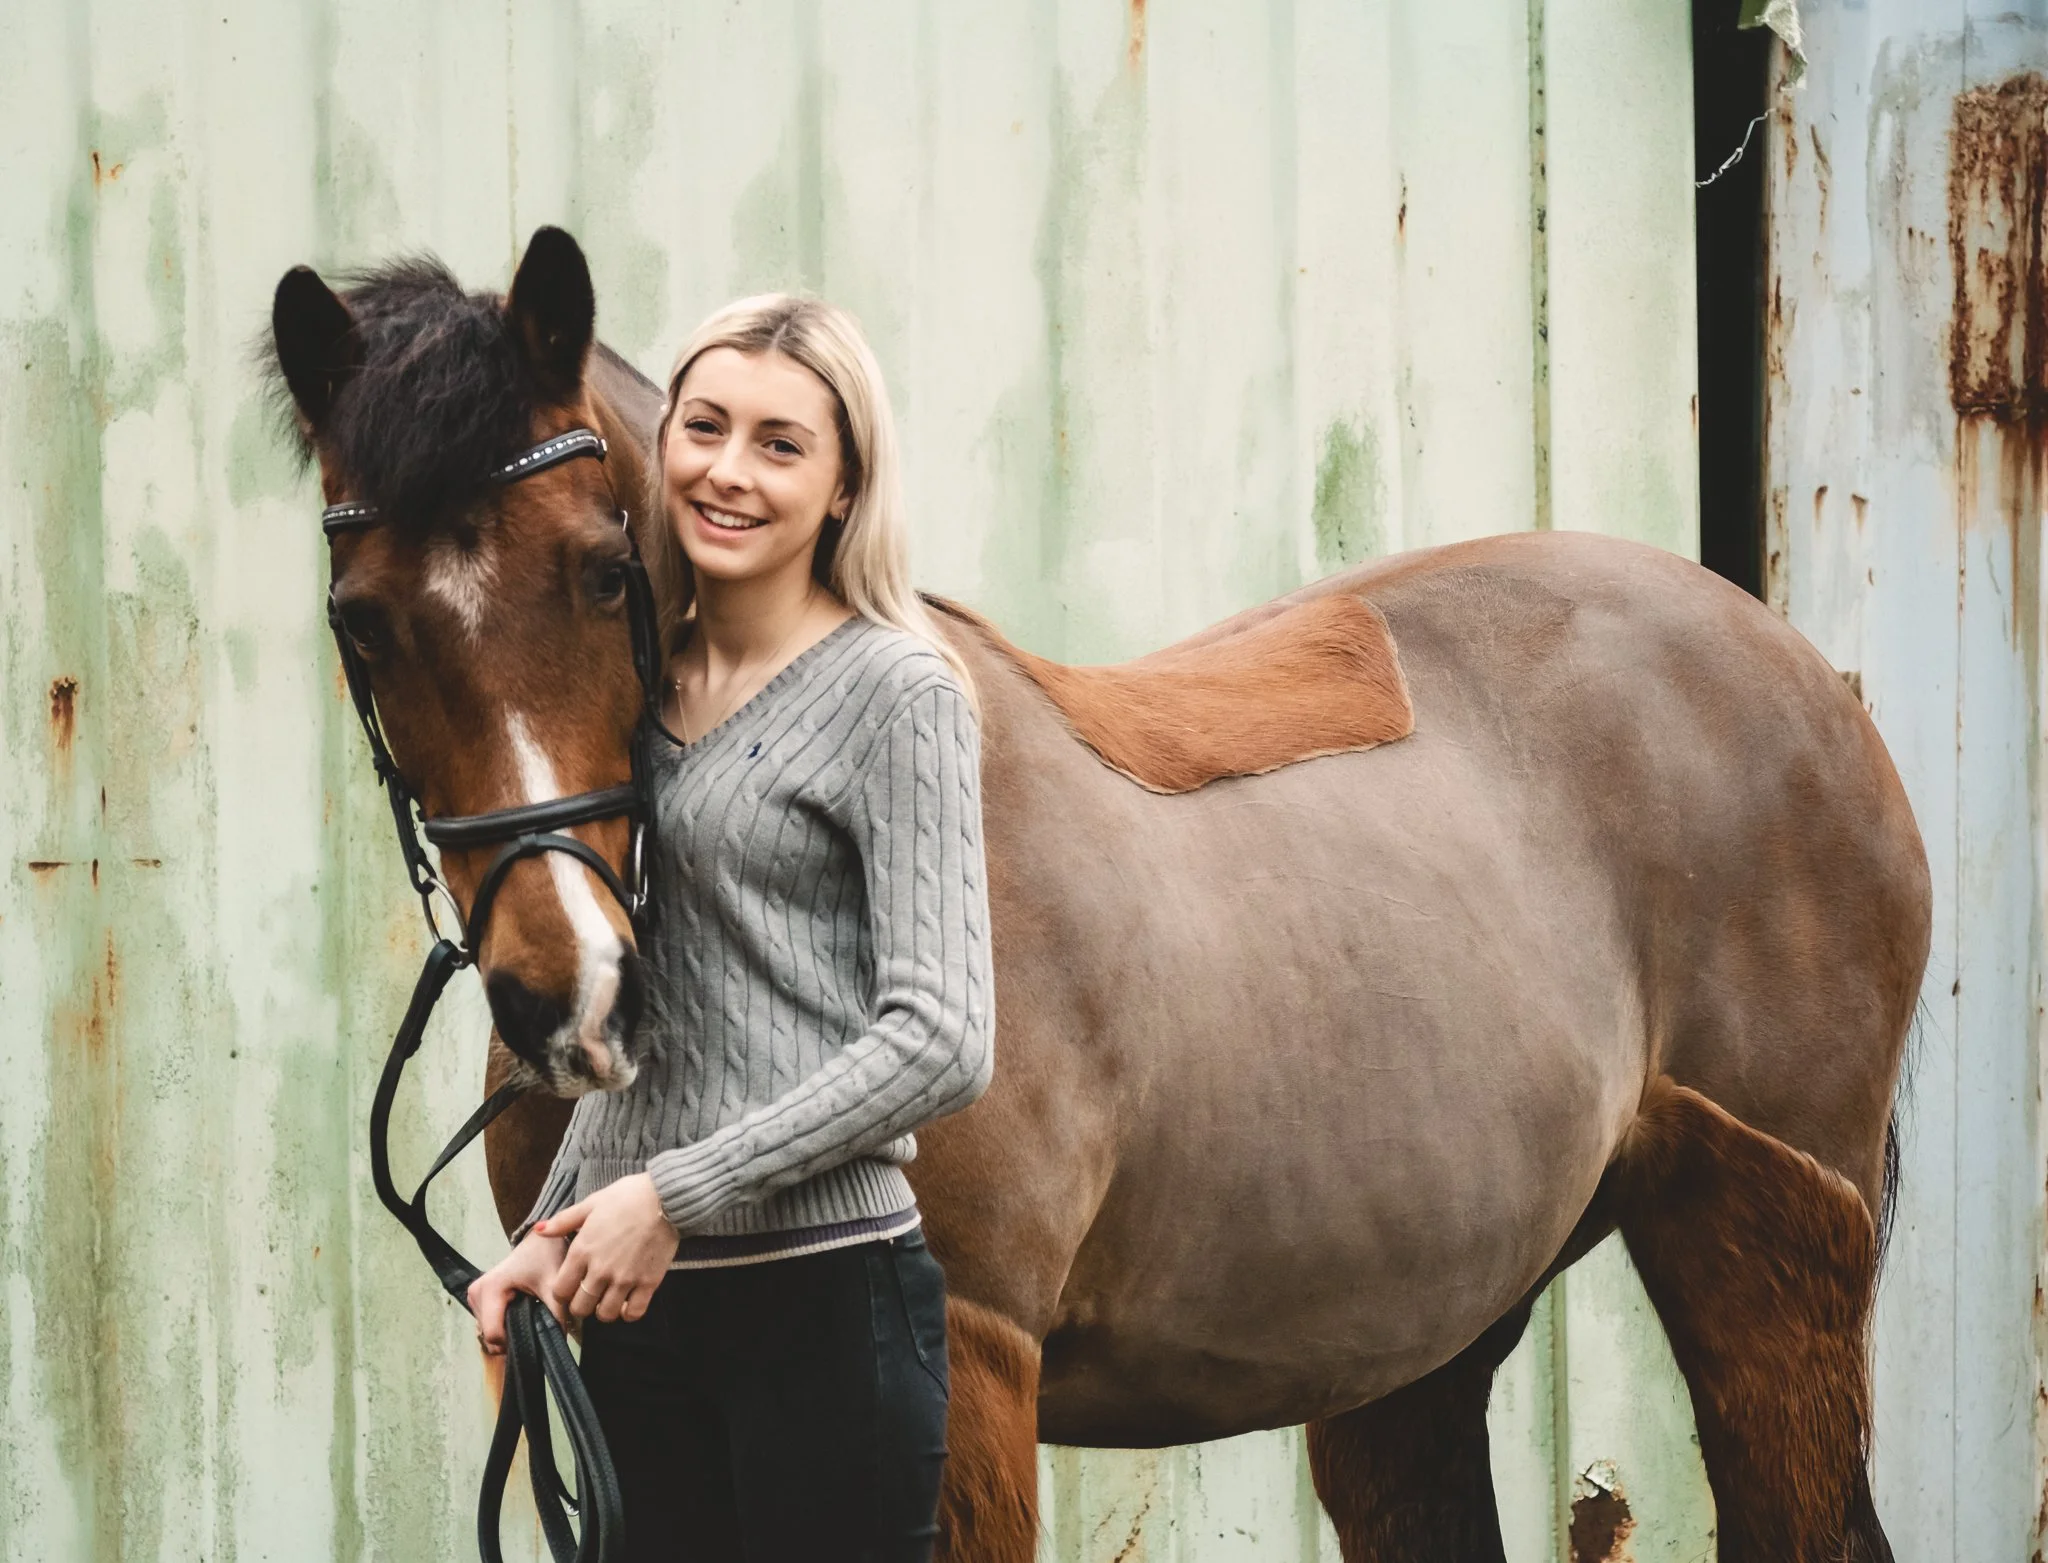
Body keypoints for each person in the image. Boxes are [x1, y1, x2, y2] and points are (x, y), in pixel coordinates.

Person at [468, 294, 995, 1562]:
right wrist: (554, 1232)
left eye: (780, 443)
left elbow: (943, 1039)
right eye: (704, 427)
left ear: (844, 487)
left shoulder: (897, 690)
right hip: (646, 1312)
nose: (726, 471)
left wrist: (670, 1196)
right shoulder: (642, 689)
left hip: (828, 1310)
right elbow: (673, 1020)